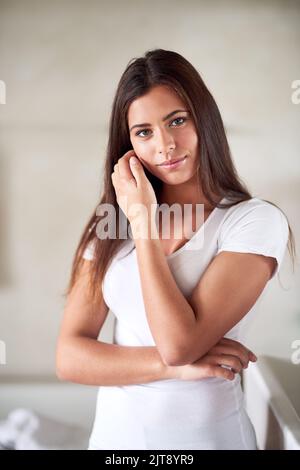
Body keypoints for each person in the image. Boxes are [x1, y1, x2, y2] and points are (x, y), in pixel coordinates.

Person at [56, 49, 295, 450]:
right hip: (114, 444)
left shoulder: (251, 222)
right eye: (144, 132)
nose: (165, 145)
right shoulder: (111, 223)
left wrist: (144, 225)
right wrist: (175, 370)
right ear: (128, 143)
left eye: (177, 121)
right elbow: (70, 356)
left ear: (204, 120)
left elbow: (179, 344)